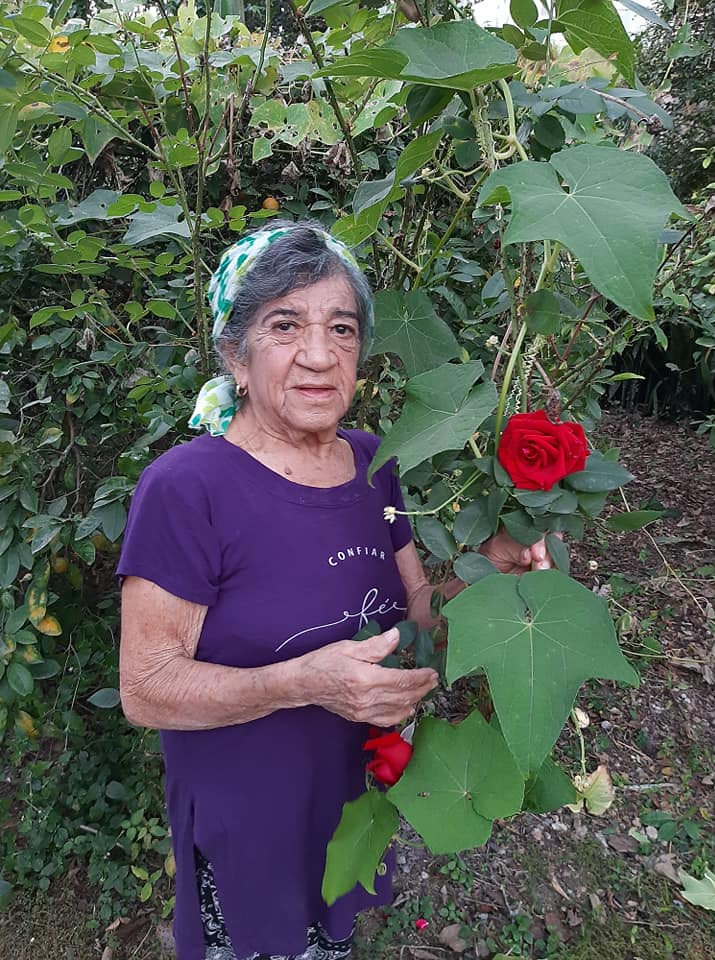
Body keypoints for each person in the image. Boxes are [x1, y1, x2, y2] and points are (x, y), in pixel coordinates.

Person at [118, 221, 554, 960]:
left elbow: (416, 618)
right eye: (285, 325)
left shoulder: (374, 462)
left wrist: (489, 572)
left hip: (350, 806)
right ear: (236, 355)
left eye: (342, 328)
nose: (319, 355)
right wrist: (300, 683)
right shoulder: (187, 489)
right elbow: (146, 690)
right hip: (249, 825)